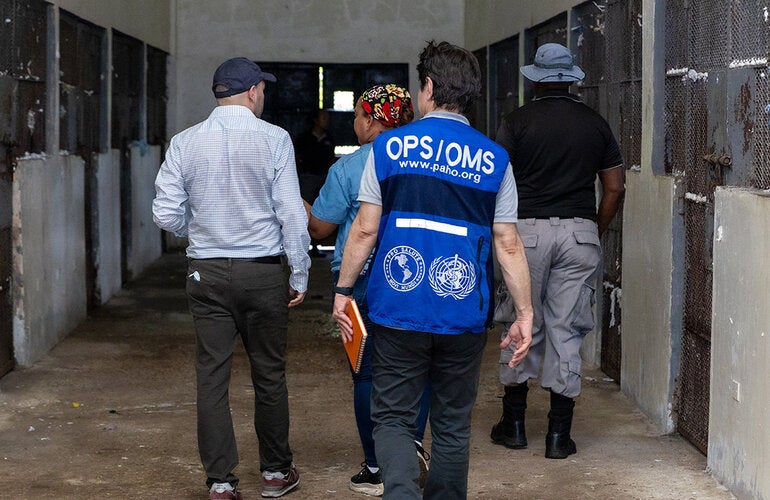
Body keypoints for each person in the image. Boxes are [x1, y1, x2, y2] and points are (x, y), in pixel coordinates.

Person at [331, 41, 534, 500]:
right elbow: (508, 243)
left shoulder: (388, 148)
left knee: (396, 418)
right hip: (463, 314)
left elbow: (364, 230)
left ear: (427, 88)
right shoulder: (494, 159)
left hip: (397, 309)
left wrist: (343, 290)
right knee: (452, 423)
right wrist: (525, 313)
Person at [152, 56, 309, 499]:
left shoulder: (185, 141)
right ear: (254, 91)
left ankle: (221, 483)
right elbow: (292, 216)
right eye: (264, 89)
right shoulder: (275, 139)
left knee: (212, 376)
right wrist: (298, 271)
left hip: (207, 274)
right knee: (269, 374)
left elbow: (164, 212)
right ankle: (276, 474)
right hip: (262, 273)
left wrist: (198, 228)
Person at [491, 43, 625, 460]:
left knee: (520, 320)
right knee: (567, 328)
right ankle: (557, 436)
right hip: (579, 233)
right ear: (572, 79)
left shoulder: (515, 122)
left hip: (525, 233)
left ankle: (513, 425)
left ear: (534, 79)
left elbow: (496, 180)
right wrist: (594, 228)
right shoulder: (595, 124)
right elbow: (615, 186)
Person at [306, 84, 430, 497]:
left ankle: (377, 466)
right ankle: (410, 458)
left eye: (358, 114)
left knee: (367, 374)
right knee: (417, 370)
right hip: (416, 277)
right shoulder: (424, 159)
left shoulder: (350, 167)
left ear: (374, 121)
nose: (354, 122)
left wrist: (300, 206)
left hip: (361, 282)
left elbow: (321, 228)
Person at [295, 108, 337, 256]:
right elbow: (298, 158)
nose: (327, 120)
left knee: (320, 212)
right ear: (315, 120)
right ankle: (304, 246)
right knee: (305, 212)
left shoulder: (329, 139)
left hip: (323, 178)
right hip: (308, 178)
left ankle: (316, 245)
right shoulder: (304, 138)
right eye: (323, 117)